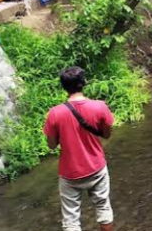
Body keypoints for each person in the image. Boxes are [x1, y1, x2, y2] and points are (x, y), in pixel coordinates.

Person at [43, 67, 115, 231]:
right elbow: (107, 134)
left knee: (71, 219)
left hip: (70, 174)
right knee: (103, 207)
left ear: (64, 86)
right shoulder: (99, 107)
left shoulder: (54, 113)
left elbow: (52, 145)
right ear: (84, 83)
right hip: (96, 167)